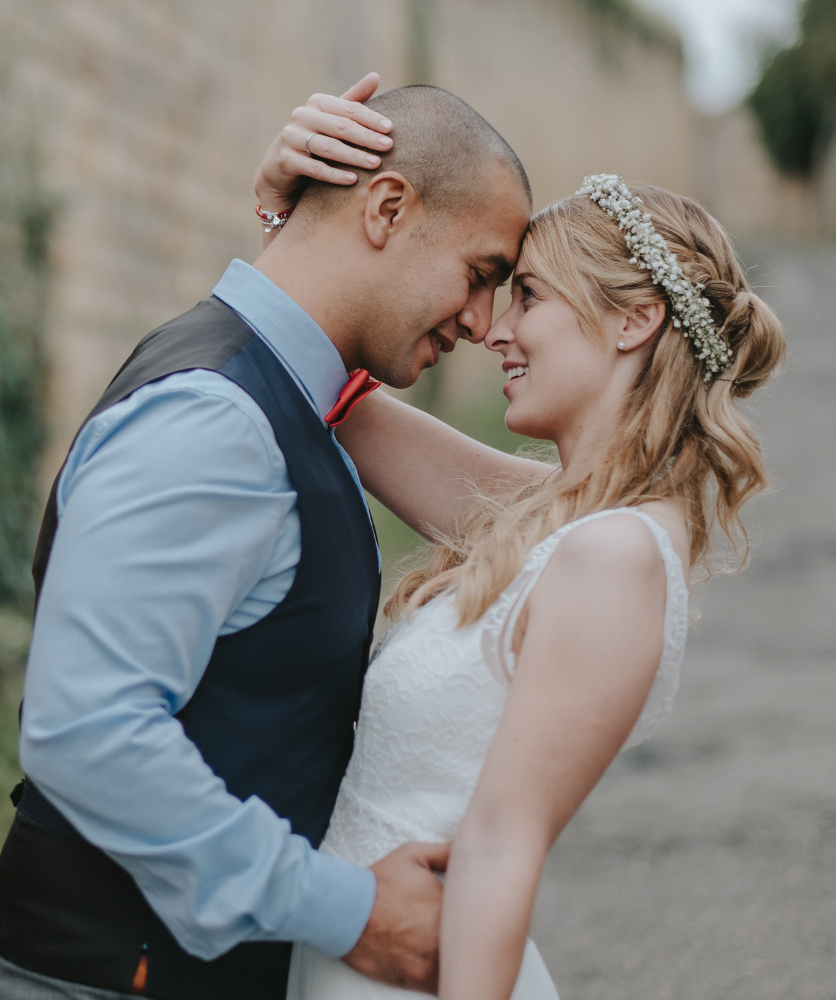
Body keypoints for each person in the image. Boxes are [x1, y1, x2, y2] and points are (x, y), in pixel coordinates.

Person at [0, 76, 533, 999]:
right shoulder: (216, 418)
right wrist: (348, 911)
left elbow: (524, 517)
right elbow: (86, 732)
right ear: (388, 206)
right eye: (480, 274)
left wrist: (288, 224)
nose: (482, 323)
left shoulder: (296, 399)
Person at [255, 91, 787, 998]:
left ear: (633, 321)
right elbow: (336, 394)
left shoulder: (613, 556)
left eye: (528, 295)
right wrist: (290, 217)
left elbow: (503, 845)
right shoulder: (560, 513)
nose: (492, 329)